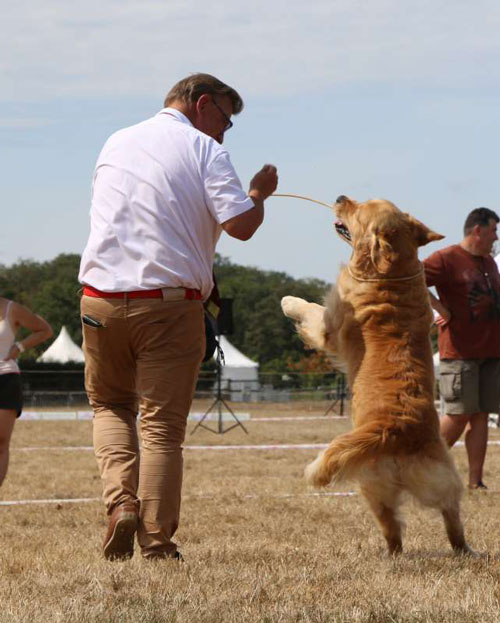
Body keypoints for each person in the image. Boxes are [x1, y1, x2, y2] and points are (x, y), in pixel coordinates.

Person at [78, 73, 278, 561]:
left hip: (99, 298)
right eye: (226, 119)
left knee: (110, 407)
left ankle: (121, 503)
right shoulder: (205, 150)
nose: (225, 132)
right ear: (202, 103)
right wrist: (259, 194)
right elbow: (241, 227)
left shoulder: (116, 140)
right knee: (162, 427)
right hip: (168, 304)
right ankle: (157, 542)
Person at [424, 207, 500, 490]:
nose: (496, 237)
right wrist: (440, 307)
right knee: (457, 416)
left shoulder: (488, 262)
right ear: (477, 230)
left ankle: (475, 482)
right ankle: (423, 469)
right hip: (460, 352)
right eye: (493, 230)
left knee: (480, 415)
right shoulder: (446, 258)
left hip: (491, 352)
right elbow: (411, 277)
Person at [0, 298, 53, 486]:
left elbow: (45, 330)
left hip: (5, 379)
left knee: (1, 442)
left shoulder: (11, 309)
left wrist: (19, 347)